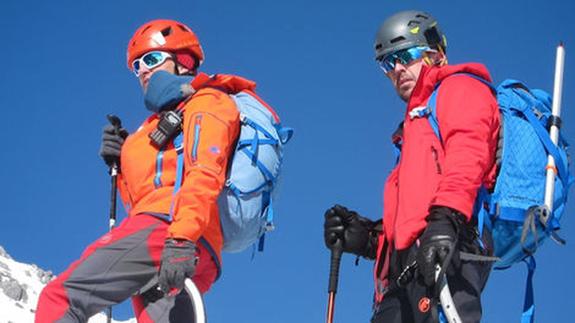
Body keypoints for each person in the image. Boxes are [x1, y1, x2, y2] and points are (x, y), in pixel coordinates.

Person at [36, 19, 259, 322]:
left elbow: (206, 170)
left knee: (61, 298)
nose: (142, 70)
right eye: (136, 65)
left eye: (151, 59)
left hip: (171, 231)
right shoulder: (157, 124)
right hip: (183, 240)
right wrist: (120, 165)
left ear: (183, 60)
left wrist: (181, 238)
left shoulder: (206, 102)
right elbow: (142, 202)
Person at [324, 10, 501, 323]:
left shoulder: (460, 88)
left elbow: (468, 156)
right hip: (407, 271)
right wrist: (366, 238)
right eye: (388, 63)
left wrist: (446, 220)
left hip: (451, 249)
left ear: (435, 53)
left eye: (406, 55)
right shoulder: (412, 129)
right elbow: (410, 216)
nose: (397, 69)